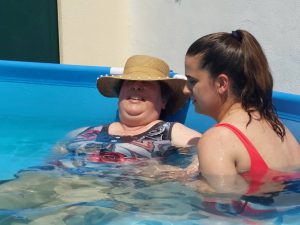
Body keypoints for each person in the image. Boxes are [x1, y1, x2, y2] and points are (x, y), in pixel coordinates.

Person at [184, 29, 300, 195]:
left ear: (221, 83)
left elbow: (221, 212)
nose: (186, 90)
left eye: (192, 81)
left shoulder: (217, 139)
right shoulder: (277, 126)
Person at [59, 55, 201, 165]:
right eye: (129, 82)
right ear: (119, 94)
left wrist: (174, 173)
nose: (136, 86)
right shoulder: (82, 132)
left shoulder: (171, 132)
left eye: (147, 83)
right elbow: (55, 155)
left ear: (163, 100)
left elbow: (211, 149)